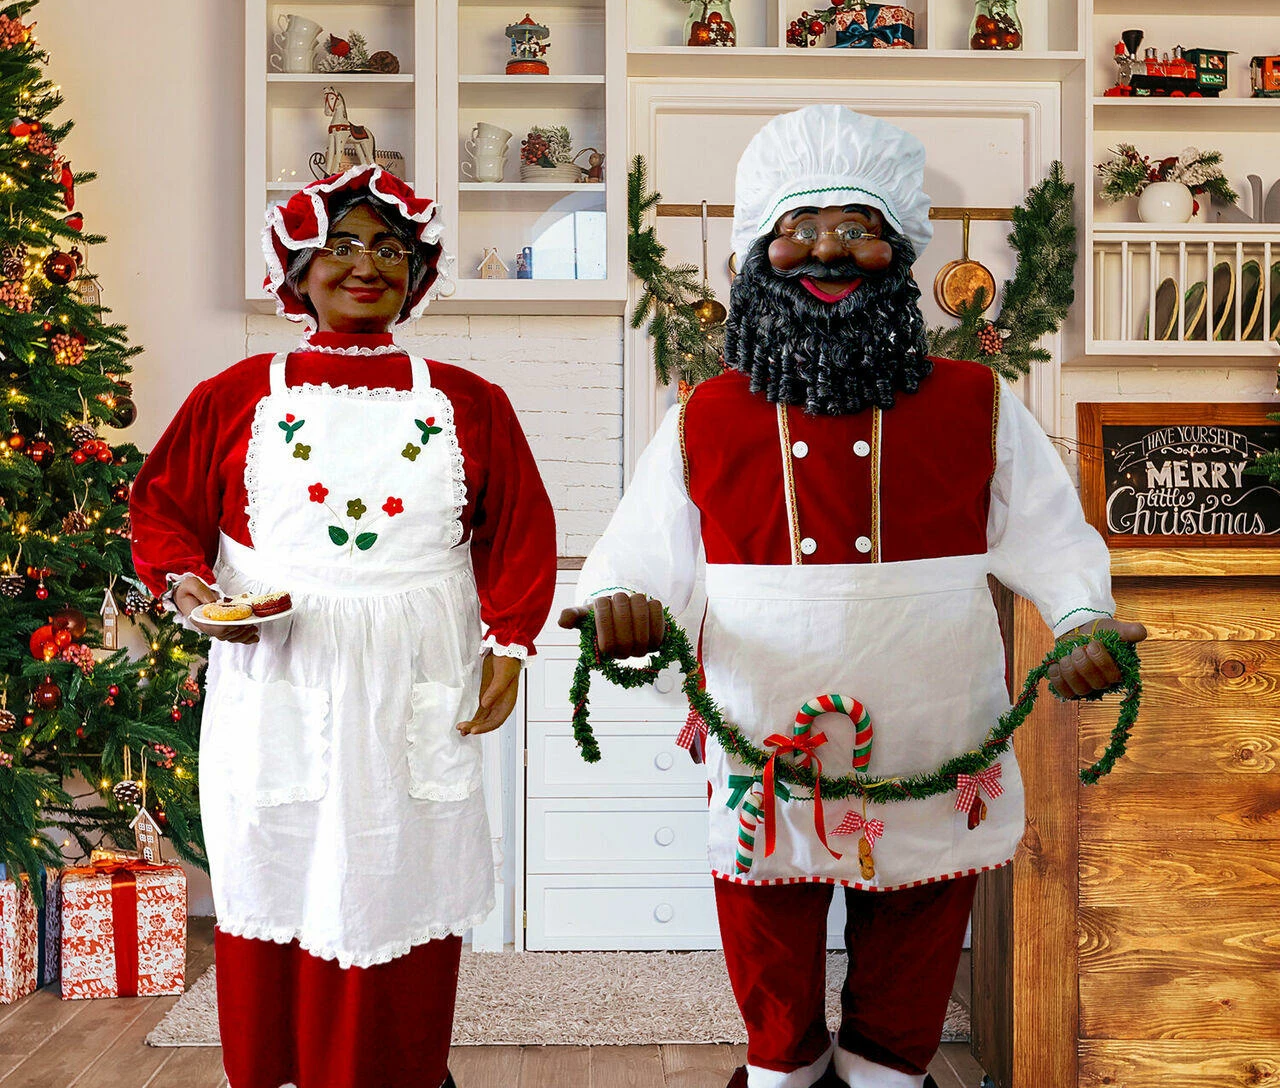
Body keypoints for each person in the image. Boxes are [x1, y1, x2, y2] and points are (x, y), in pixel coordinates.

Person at [565, 106, 1147, 1088]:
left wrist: (1084, 621)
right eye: (800, 227)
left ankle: (885, 1072)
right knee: (772, 985)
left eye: (854, 226)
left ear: (897, 252)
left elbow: (1052, 540)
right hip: (764, 746)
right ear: (758, 255)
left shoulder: (980, 402)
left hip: (935, 734)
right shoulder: (704, 414)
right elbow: (633, 557)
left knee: (908, 983)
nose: (826, 249)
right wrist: (620, 606)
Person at [130, 165, 557, 1088]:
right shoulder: (237, 391)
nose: (368, 264)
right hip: (280, 671)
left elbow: (519, 530)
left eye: (391, 248)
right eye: (343, 245)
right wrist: (193, 593)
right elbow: (163, 510)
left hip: (418, 669)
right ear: (298, 265)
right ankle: (277, 1071)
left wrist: (511, 647)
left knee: (399, 875)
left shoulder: (468, 399)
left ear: (418, 271)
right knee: (275, 869)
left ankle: (398, 1073)